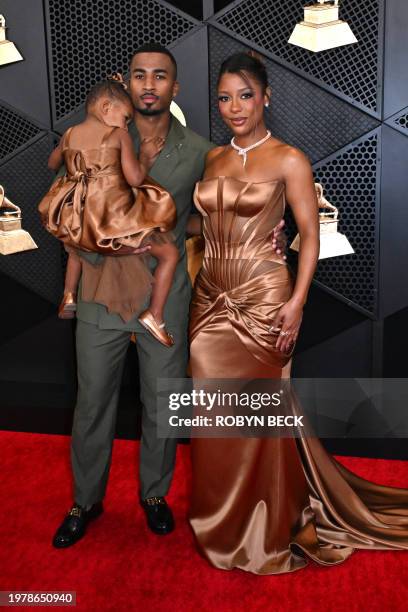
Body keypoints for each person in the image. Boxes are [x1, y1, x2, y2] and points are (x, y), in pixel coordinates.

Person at [51, 43, 286, 549]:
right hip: (99, 290)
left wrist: (258, 227)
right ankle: (85, 501)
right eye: (140, 75)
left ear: (174, 88)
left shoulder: (201, 151)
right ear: (126, 82)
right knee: (92, 403)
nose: (149, 85)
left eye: (160, 77)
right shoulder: (100, 135)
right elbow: (70, 197)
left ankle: (154, 494)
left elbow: (208, 211)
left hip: (165, 297)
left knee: (161, 404)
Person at [188, 52, 408, 574]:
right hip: (210, 295)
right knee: (214, 417)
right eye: (224, 97)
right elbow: (207, 227)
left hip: (264, 296)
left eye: (245, 95)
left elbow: (309, 238)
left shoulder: (290, 159)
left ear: (266, 97)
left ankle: (270, 521)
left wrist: (296, 303)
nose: (234, 107)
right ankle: (224, 519)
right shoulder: (214, 159)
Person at [39, 79, 178, 346]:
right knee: (169, 253)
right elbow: (135, 179)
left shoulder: (69, 134)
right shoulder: (118, 136)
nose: (126, 125)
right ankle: (155, 315)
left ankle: (69, 295)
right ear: (106, 107)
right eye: (125, 118)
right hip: (110, 219)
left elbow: (52, 162)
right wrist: (146, 156)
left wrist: (77, 171)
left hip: (79, 215)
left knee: (75, 247)